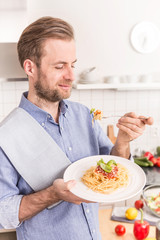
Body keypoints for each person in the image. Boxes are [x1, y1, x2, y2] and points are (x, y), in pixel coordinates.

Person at [0, 16, 153, 240]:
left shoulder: (84, 115)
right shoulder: (6, 136)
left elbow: (113, 169)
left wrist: (122, 142)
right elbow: (2, 212)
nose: (71, 75)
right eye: (60, 66)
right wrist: (52, 194)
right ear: (30, 67)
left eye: (72, 65)